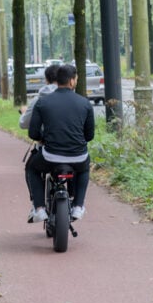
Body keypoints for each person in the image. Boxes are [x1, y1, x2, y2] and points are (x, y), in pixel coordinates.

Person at [26, 64, 95, 222]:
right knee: (84, 169)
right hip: (78, 157)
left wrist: (44, 138)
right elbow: (89, 135)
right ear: (72, 81)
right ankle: (78, 206)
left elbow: (33, 133)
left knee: (32, 168)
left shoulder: (42, 102)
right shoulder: (84, 103)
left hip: (50, 157)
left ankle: (39, 209)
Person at [19, 63, 60, 223]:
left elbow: (24, 124)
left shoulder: (39, 100)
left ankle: (38, 207)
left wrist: (24, 113)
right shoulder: (75, 99)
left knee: (31, 168)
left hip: (46, 149)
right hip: (73, 151)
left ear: (47, 79)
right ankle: (76, 203)